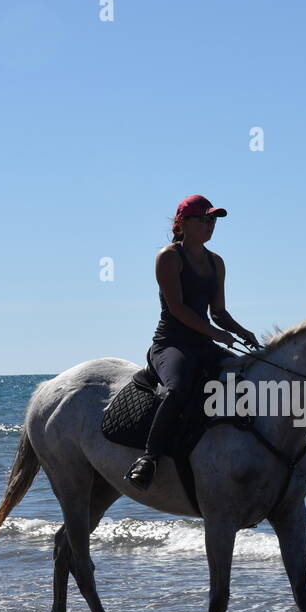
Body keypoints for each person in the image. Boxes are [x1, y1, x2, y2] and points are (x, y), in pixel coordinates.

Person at [124, 194, 260, 489]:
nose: (209, 225)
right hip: (171, 343)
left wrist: (242, 332)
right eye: (203, 219)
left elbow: (219, 313)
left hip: (203, 343)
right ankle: (149, 458)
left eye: (213, 220)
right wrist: (216, 334)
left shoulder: (216, 262)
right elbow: (177, 308)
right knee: (179, 388)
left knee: (243, 378)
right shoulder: (169, 256)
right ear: (182, 223)